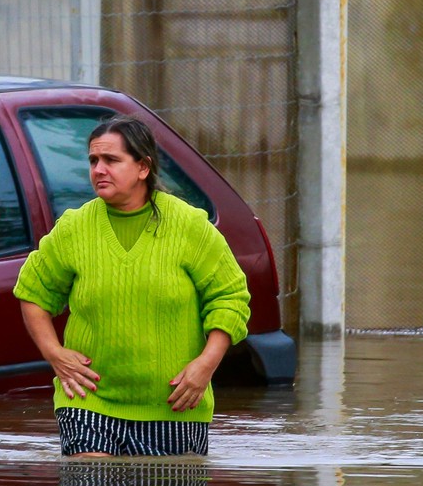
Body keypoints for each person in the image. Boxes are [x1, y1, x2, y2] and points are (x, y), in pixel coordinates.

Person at [13, 114, 250, 457]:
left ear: (143, 167)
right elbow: (33, 293)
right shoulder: (73, 228)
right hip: (88, 401)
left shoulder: (189, 227)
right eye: (93, 160)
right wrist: (54, 353)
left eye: (111, 160)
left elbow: (230, 298)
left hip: (174, 404)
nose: (98, 169)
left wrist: (205, 366)